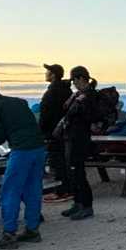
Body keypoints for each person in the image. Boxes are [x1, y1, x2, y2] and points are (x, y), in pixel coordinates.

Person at [0, 80, 47, 248]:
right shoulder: (18, 102)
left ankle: (9, 234)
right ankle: (32, 230)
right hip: (39, 149)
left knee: (10, 190)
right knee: (32, 189)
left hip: (21, 151)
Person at [54, 66, 98, 220]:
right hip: (72, 137)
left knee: (78, 172)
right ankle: (78, 203)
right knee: (72, 172)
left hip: (80, 138)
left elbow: (88, 117)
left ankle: (86, 205)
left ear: (81, 78)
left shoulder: (90, 96)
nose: (73, 83)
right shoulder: (78, 95)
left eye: (74, 80)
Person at [39, 64, 72, 200]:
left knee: (57, 162)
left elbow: (45, 114)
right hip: (66, 130)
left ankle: (61, 191)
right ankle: (67, 189)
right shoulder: (67, 90)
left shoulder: (52, 92)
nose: (45, 73)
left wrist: (41, 130)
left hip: (53, 131)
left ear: (53, 74)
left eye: (48, 71)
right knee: (64, 161)